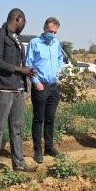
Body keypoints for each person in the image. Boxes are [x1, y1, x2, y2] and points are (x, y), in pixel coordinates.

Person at [0, 8, 38, 187]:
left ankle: (19, 163)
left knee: (17, 128)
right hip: (4, 89)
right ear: (18, 18)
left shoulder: (15, 37)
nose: (24, 25)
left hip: (18, 89)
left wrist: (26, 72)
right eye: (24, 21)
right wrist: (20, 69)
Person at [25, 17, 63, 164]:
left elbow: (60, 59)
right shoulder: (34, 43)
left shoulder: (56, 43)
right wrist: (35, 82)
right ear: (44, 28)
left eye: (54, 32)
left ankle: (49, 147)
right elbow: (29, 65)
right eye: (49, 31)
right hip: (40, 86)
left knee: (50, 119)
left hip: (53, 87)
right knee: (38, 119)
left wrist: (59, 70)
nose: (52, 34)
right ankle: (37, 150)